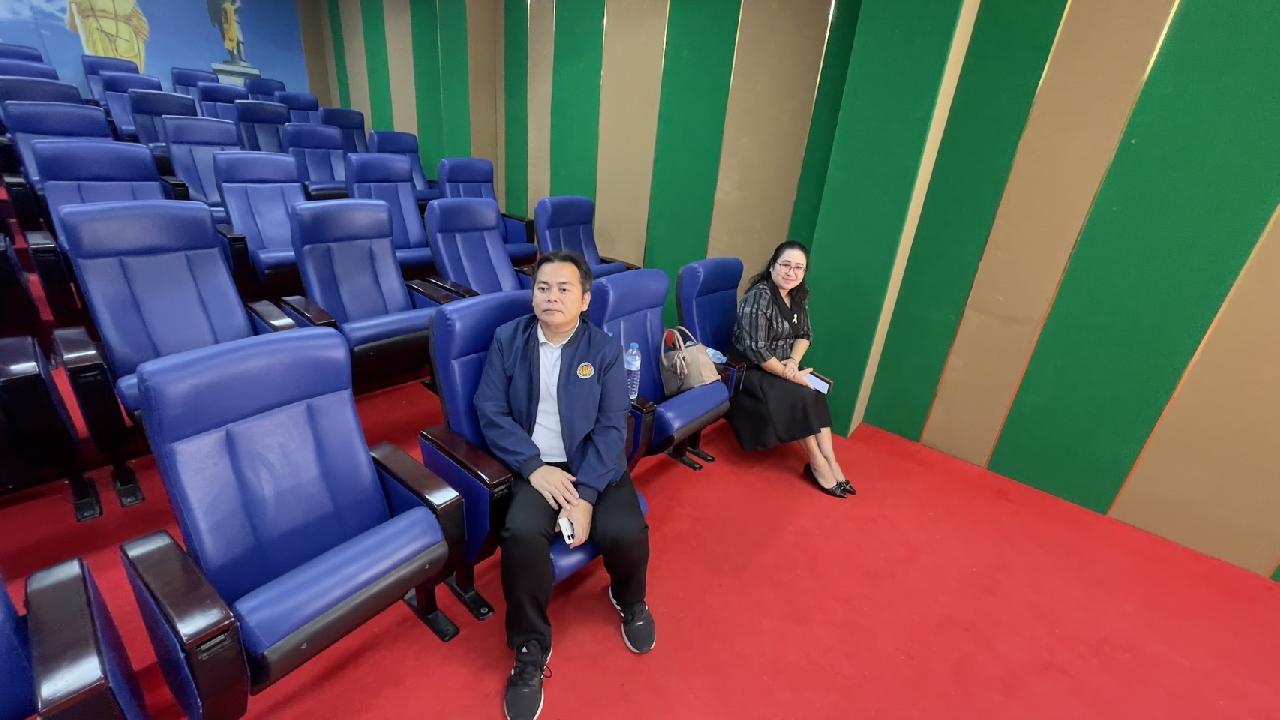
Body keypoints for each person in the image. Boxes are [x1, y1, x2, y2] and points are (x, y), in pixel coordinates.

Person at [475, 250, 655, 720]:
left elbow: (613, 429)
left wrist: (587, 496)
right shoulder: (508, 339)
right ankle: (530, 647)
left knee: (627, 531)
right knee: (520, 535)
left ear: (585, 299)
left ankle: (630, 598)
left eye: (563, 288)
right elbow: (490, 411)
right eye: (542, 288)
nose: (551, 297)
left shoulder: (604, 349)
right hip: (536, 466)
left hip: (595, 464)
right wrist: (534, 467)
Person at [727, 241, 854, 498]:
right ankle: (816, 463)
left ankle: (831, 460)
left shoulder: (798, 295)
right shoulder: (760, 297)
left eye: (798, 268)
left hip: (785, 365)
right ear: (772, 266)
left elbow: (805, 335)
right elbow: (756, 350)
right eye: (785, 265)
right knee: (801, 395)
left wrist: (794, 362)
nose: (791, 272)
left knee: (817, 389)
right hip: (752, 369)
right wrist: (792, 376)